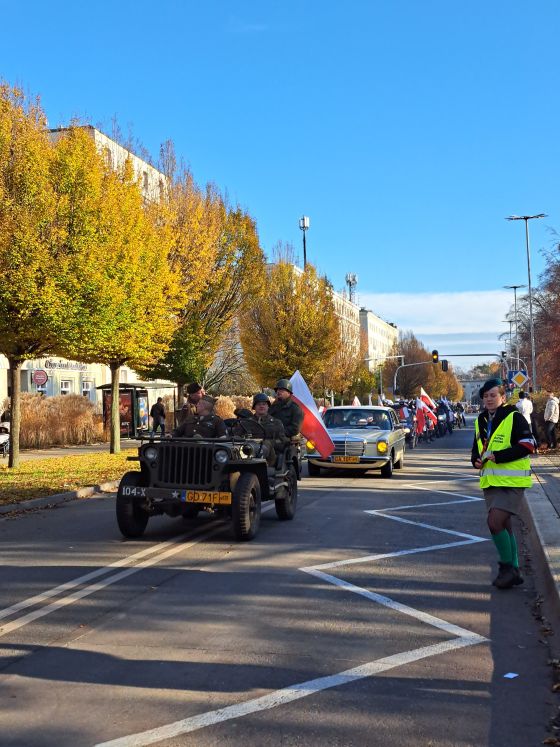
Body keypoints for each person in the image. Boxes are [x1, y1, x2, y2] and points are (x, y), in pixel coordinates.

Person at [471, 378, 535, 590]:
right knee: (504, 526)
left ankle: (508, 568)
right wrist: (476, 460)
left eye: (493, 395)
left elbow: (528, 445)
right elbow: (476, 449)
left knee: (494, 522)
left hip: (512, 481)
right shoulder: (480, 420)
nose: (489, 399)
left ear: (502, 397)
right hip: (491, 481)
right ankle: (514, 568)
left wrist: (500, 456)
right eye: (486, 396)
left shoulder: (514, 417)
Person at [233, 393, 288, 466]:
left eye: (264, 404)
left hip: (270, 457)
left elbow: (282, 441)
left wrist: (269, 443)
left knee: (266, 444)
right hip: (247, 454)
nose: (261, 406)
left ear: (268, 406)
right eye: (258, 404)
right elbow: (236, 437)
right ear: (254, 407)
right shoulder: (246, 423)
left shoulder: (276, 423)